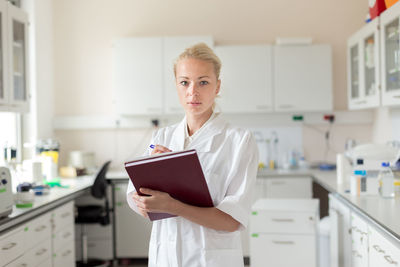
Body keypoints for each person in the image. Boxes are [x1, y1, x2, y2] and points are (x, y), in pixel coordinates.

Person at [126, 43, 258, 267]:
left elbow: (232, 221)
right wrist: (146, 197)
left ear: (217, 87)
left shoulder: (239, 141)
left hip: (210, 260)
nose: (192, 91)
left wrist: (172, 206)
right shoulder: (162, 137)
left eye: (203, 82)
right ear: (176, 85)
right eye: (184, 82)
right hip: (165, 258)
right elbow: (136, 199)